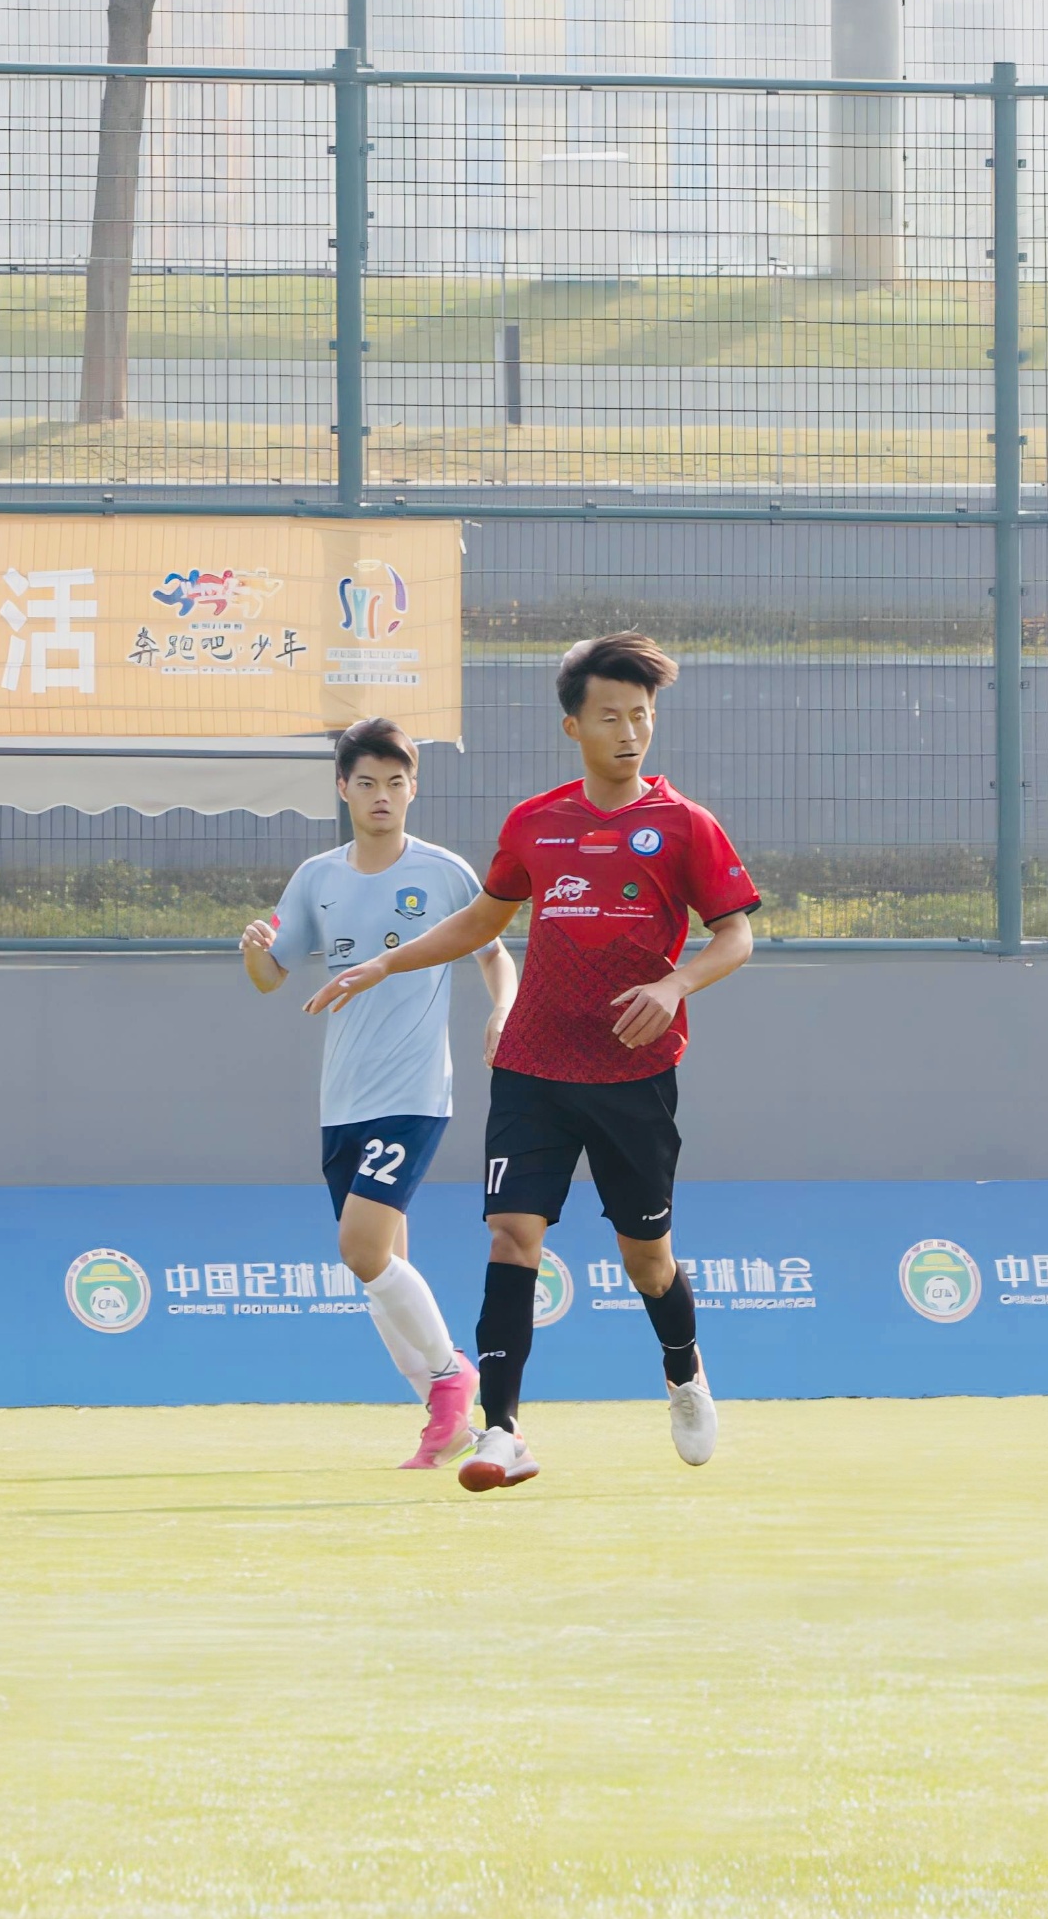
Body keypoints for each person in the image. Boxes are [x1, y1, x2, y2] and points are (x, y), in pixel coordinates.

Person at [309, 634, 760, 1491]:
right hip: (533, 1069)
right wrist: (387, 961)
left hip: (633, 1074)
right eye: (611, 716)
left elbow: (735, 933)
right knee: (513, 1236)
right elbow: (482, 922)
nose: (630, 732)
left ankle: (683, 1372)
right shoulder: (535, 824)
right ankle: (502, 1431)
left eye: (642, 716)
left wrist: (674, 985)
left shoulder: (683, 826)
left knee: (647, 1261)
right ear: (572, 726)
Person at [244, 717, 516, 1470]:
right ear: (342, 788)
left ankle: (451, 1378)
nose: (382, 797)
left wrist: (502, 1006)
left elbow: (494, 955)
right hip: (342, 1099)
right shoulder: (318, 879)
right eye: (366, 783)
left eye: (396, 783)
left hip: (415, 1091)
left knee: (360, 1248)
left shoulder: (445, 873)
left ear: (413, 789)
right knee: (378, 1267)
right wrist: (256, 955)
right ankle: (441, 1416)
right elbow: (275, 976)